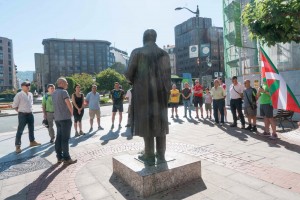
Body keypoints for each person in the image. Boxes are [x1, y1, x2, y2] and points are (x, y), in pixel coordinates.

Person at [126, 29, 171, 164]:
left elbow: (128, 74)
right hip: (161, 95)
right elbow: (167, 78)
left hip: (143, 95)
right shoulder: (164, 54)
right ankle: (161, 156)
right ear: (155, 38)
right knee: (160, 123)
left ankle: (149, 155)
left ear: (144, 38)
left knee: (147, 123)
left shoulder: (137, 52)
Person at [52, 77, 77, 164]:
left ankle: (59, 157)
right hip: (65, 118)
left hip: (57, 119)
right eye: (66, 83)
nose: (67, 84)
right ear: (61, 83)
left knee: (58, 137)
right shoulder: (64, 92)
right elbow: (68, 103)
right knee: (65, 139)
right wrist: (72, 112)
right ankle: (67, 158)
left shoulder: (54, 93)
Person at [12, 81, 41, 153]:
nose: (28, 86)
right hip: (22, 115)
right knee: (20, 130)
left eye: (29, 85)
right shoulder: (19, 95)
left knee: (31, 129)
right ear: (22, 86)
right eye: (26, 85)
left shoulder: (30, 94)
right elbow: (14, 106)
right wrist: (20, 112)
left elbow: (31, 104)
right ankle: (17, 146)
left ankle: (32, 141)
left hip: (30, 114)